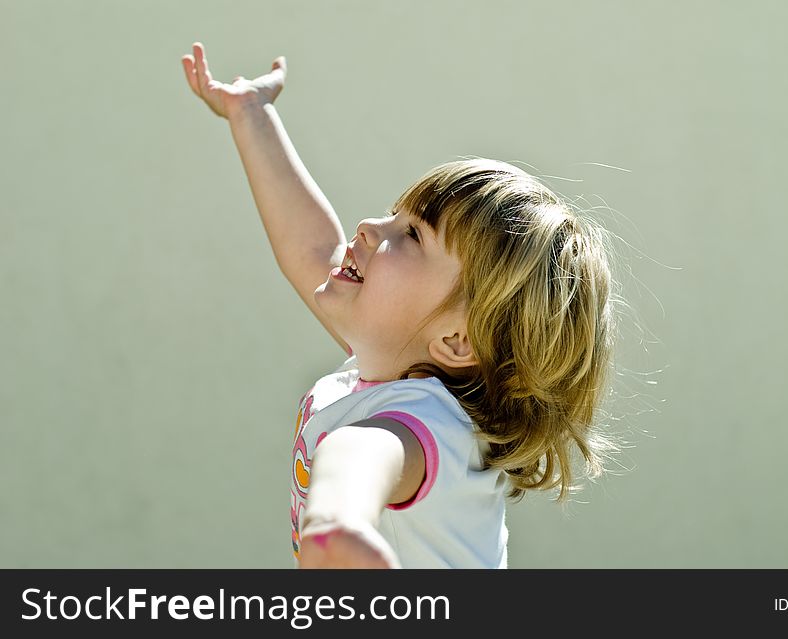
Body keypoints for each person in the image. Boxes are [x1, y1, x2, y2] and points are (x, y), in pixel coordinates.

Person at [180, 42, 621, 568]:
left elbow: (361, 453)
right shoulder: (392, 359)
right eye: (394, 213)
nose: (368, 226)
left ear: (457, 340)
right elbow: (312, 250)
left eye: (412, 235)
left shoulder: (425, 421)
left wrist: (337, 519)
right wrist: (251, 114)